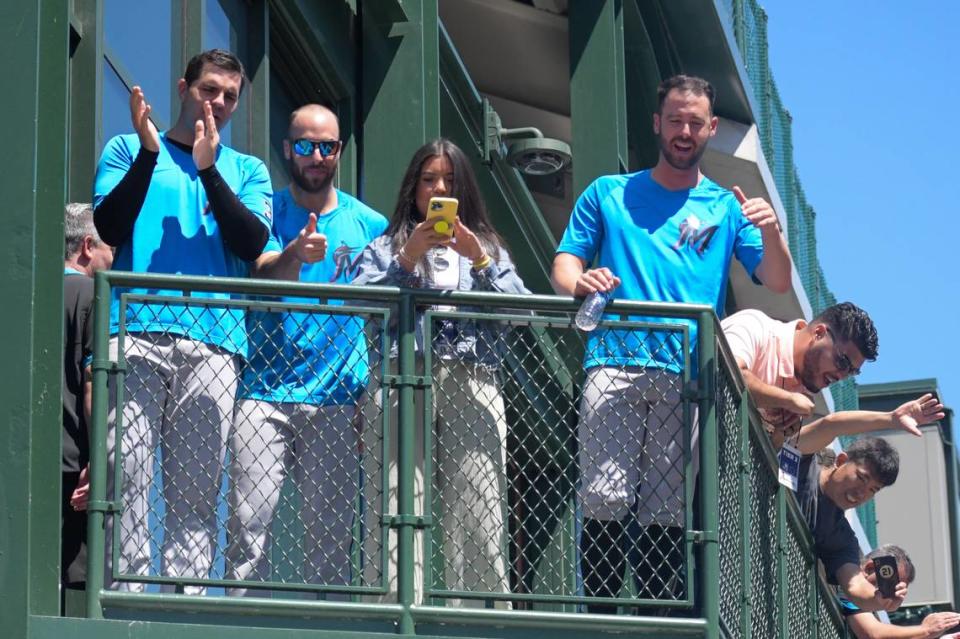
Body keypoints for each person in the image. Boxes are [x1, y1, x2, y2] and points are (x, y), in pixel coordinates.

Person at [550, 74, 793, 610]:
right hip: (612, 363)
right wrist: (579, 281)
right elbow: (565, 263)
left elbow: (776, 280)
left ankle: (661, 619)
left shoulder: (726, 206)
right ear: (657, 124)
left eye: (695, 122)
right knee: (604, 496)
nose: (685, 131)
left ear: (710, 128)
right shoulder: (608, 193)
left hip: (686, 377)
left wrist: (772, 229)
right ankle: (603, 616)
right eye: (675, 120)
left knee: (665, 506)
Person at [93, 49, 273, 592]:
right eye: (208, 89)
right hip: (134, 331)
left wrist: (209, 168)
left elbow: (252, 241)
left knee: (196, 497)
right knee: (124, 478)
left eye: (229, 96)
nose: (217, 102)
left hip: (214, 344)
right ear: (183, 87)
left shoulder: (247, 170)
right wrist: (151, 154)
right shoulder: (127, 148)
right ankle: (122, 608)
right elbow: (109, 225)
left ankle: (178, 612)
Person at [352, 138, 528, 606]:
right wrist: (407, 259)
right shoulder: (385, 245)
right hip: (399, 375)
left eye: (449, 180)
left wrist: (480, 258)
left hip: (473, 377)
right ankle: (394, 612)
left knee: (478, 506)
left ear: (463, 189)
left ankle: (477, 618)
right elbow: (360, 304)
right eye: (429, 179)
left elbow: (522, 312)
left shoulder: (488, 246)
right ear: (413, 187)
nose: (439, 188)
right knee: (393, 501)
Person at [225, 104, 387, 596]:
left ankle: (328, 626)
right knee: (246, 535)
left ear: (339, 151)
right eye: (304, 145)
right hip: (261, 392)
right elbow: (261, 279)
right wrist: (294, 253)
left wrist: (370, 391)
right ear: (286, 149)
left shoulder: (370, 224)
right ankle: (242, 629)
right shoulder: (265, 213)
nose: (316, 156)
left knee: (332, 543)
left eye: (327, 146)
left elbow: (382, 317)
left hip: (339, 397)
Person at [721, 303, 944, 450]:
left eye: (851, 372)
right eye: (842, 362)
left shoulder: (801, 389)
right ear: (819, 333)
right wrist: (786, 399)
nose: (841, 376)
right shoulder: (756, 327)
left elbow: (828, 426)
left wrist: (778, 435)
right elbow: (729, 371)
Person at [61, 203, 114, 606]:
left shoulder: (33, 292)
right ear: (86, 246)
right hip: (73, 467)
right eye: (109, 247)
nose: (115, 259)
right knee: (78, 588)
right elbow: (94, 380)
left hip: (30, 464)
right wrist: (101, 457)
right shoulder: (91, 294)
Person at [799, 440, 906, 611]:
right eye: (862, 478)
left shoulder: (842, 538)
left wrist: (881, 600)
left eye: (873, 490)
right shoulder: (802, 462)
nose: (862, 493)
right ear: (841, 461)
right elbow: (828, 425)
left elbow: (854, 585)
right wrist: (890, 419)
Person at [839, 545, 960, 638]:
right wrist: (925, 629)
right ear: (870, 568)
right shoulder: (849, 588)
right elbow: (873, 634)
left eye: (899, 590)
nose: (894, 594)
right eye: (890, 584)